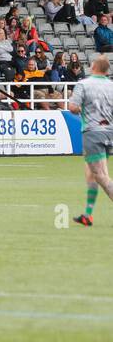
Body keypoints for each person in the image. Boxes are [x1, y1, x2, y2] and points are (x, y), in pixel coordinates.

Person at [66, 55, 113, 226]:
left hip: (93, 133)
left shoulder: (83, 84)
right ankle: (88, 214)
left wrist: (84, 109)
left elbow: (72, 107)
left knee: (100, 176)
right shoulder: (111, 86)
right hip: (108, 132)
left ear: (93, 67)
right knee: (92, 174)